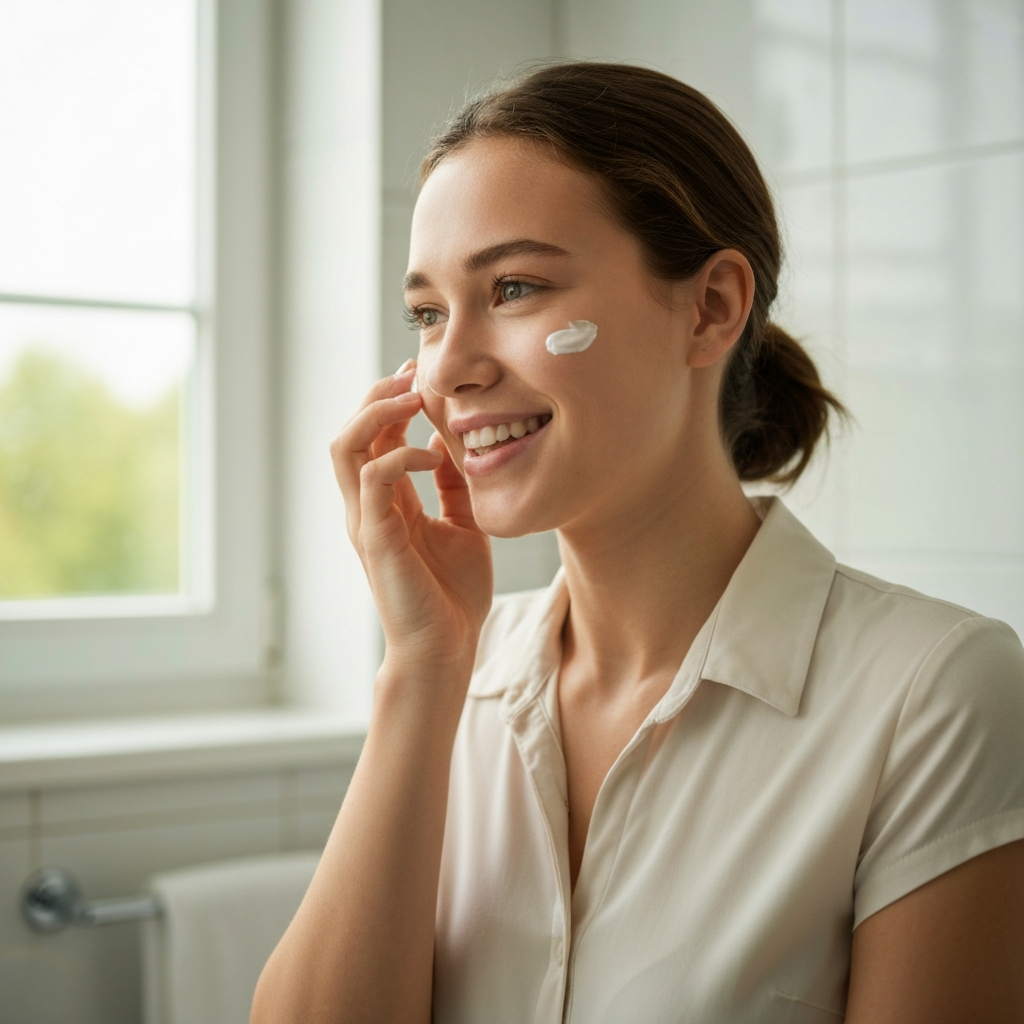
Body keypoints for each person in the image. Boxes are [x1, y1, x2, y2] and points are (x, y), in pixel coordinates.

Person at [252, 62, 1024, 1024]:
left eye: (517, 287)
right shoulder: (457, 679)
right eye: (427, 313)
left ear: (710, 308)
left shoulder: (936, 692)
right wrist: (419, 668)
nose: (445, 368)